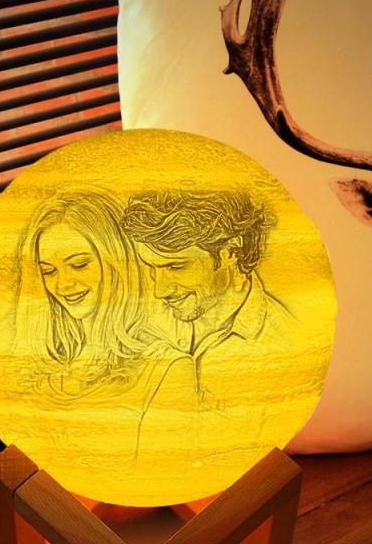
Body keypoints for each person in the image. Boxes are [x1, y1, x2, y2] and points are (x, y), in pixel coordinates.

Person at [119, 188, 297, 449]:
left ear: (230, 252)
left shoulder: (285, 349)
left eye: (176, 266)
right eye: (151, 268)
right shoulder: (136, 324)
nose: (160, 290)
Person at [14, 189, 156, 401]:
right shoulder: (45, 366)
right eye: (48, 271)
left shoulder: (163, 365)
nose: (63, 284)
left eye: (79, 264)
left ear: (116, 260)